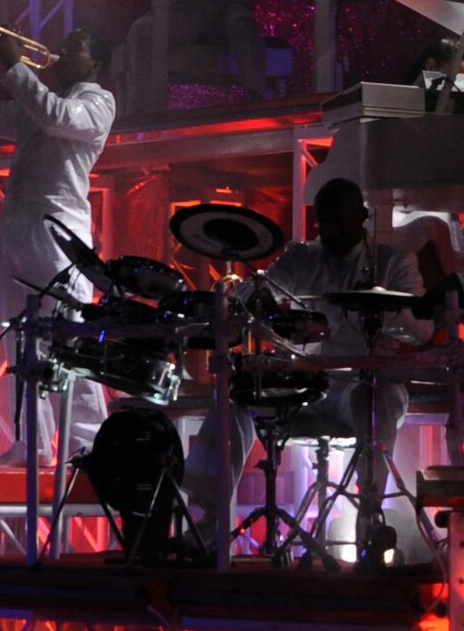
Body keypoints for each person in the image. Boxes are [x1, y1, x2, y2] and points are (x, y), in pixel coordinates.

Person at [184, 177, 432, 560]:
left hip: (359, 383)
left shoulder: (394, 263)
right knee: (233, 399)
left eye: (339, 220)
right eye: (323, 222)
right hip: (306, 379)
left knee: (378, 401)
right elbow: (258, 294)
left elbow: (422, 329)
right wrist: (253, 298)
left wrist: (378, 310)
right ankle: (207, 524)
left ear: (362, 217)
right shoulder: (301, 257)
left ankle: (370, 519)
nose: (330, 231)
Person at [0, 27, 116, 464]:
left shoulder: (98, 102)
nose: (64, 49)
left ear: (96, 65)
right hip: (18, 226)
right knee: (20, 340)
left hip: (58, 232)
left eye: (77, 45)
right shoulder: (40, 98)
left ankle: (86, 448)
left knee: (69, 337)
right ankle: (30, 445)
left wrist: (13, 66)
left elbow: (57, 118)